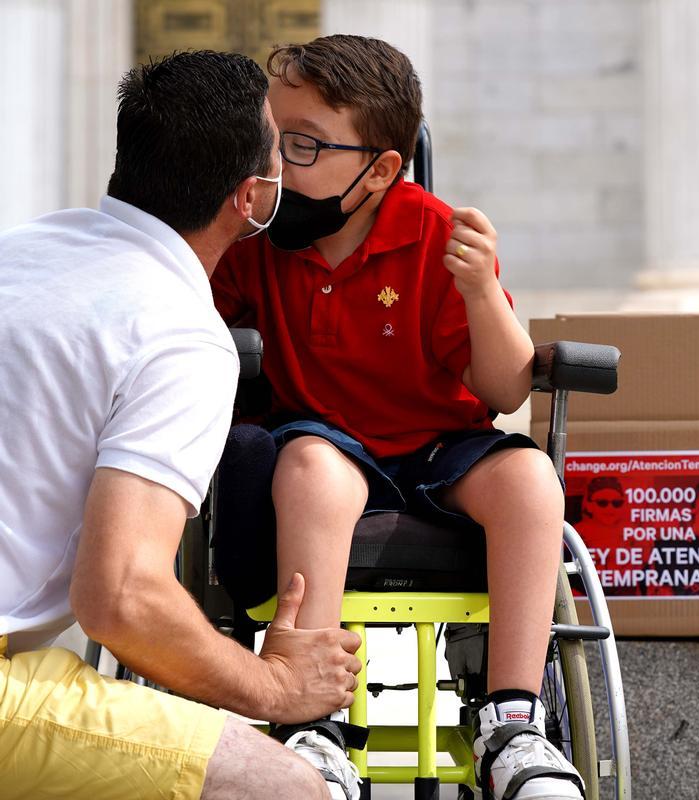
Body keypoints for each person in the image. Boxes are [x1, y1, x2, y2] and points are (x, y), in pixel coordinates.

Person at [210, 35, 584, 799]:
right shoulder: (258, 238)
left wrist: (482, 292)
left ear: (380, 169)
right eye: (272, 139)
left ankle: (514, 719)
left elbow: (508, 388)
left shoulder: (435, 235)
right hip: (324, 445)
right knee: (309, 464)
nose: (278, 162)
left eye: (304, 145)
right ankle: (313, 715)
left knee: (530, 478)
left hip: (440, 447)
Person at [0, 52, 362, 799]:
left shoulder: (20, 252)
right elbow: (123, 596)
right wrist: (274, 686)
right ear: (252, 198)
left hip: (19, 667)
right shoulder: (181, 332)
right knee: (295, 789)